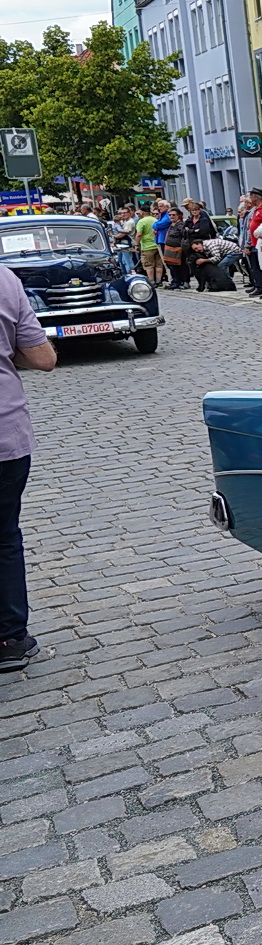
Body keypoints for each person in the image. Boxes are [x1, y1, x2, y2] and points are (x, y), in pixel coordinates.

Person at [0, 263, 55, 671]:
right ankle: (9, 638)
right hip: (4, 434)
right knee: (2, 536)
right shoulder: (3, 279)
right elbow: (42, 358)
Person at [136, 202, 163, 284]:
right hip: (157, 245)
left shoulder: (141, 221)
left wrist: (136, 244)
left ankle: (152, 281)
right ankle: (159, 280)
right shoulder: (155, 219)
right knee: (159, 264)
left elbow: (139, 234)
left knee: (149, 265)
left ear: (142, 212)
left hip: (147, 246)